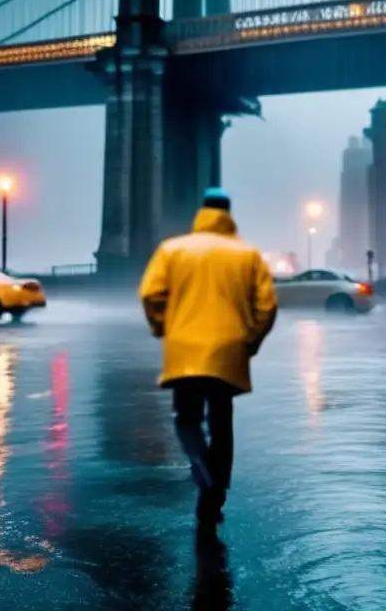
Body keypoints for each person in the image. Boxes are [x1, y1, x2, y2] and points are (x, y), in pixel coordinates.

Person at [138, 187, 278, 529]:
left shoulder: (172, 250)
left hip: (184, 349)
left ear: (202, 211)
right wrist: (250, 342)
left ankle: (200, 466)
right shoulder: (248, 255)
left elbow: (151, 295)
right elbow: (267, 306)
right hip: (229, 350)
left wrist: (163, 330)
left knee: (186, 419)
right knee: (222, 424)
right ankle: (214, 499)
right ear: (229, 213)